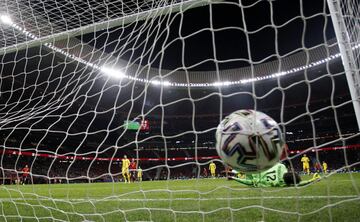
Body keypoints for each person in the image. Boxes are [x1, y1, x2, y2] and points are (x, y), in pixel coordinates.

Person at [228, 162, 321, 187]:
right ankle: (234, 171)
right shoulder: (281, 184)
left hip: (257, 168)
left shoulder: (281, 166)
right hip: (255, 173)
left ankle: (235, 169)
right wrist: (312, 180)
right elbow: (249, 182)